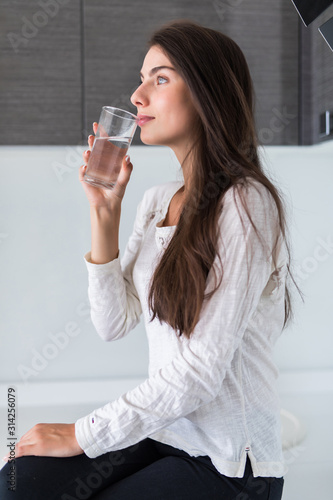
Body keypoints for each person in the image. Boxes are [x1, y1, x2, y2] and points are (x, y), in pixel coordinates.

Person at [0, 20, 300, 499]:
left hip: (230, 465)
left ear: (208, 92)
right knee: (20, 481)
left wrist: (82, 433)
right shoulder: (159, 201)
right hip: (167, 434)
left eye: (160, 79)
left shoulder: (247, 205)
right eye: (141, 79)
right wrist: (104, 214)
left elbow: (200, 374)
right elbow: (112, 322)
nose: (138, 96)